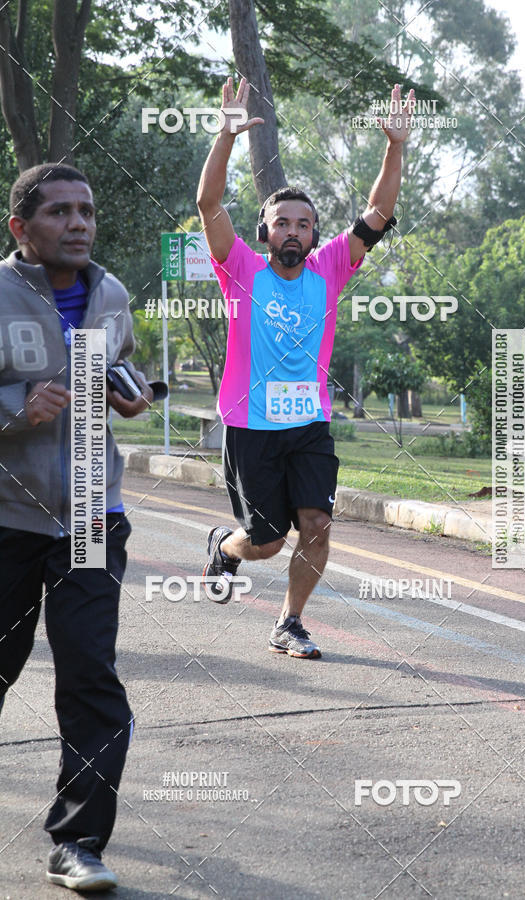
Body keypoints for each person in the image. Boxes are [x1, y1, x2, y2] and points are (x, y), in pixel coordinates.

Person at [198, 77, 414, 659]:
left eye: (303, 224)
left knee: (316, 525)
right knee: (265, 543)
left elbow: (378, 213)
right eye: (282, 223)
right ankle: (226, 545)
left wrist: (395, 146)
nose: (293, 231)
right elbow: (209, 204)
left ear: (314, 234)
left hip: (309, 425)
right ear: (265, 231)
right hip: (251, 427)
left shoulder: (330, 269)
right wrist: (226, 135)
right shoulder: (239, 268)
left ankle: (289, 622)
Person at [0, 163, 154, 891]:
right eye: (59, 211)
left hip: (93, 514)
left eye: (86, 210)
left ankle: (79, 841)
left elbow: (124, 366)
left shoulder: (113, 294)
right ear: (21, 229)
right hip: (6, 518)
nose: (79, 223)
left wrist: (132, 392)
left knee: (91, 678)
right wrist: (13, 411)